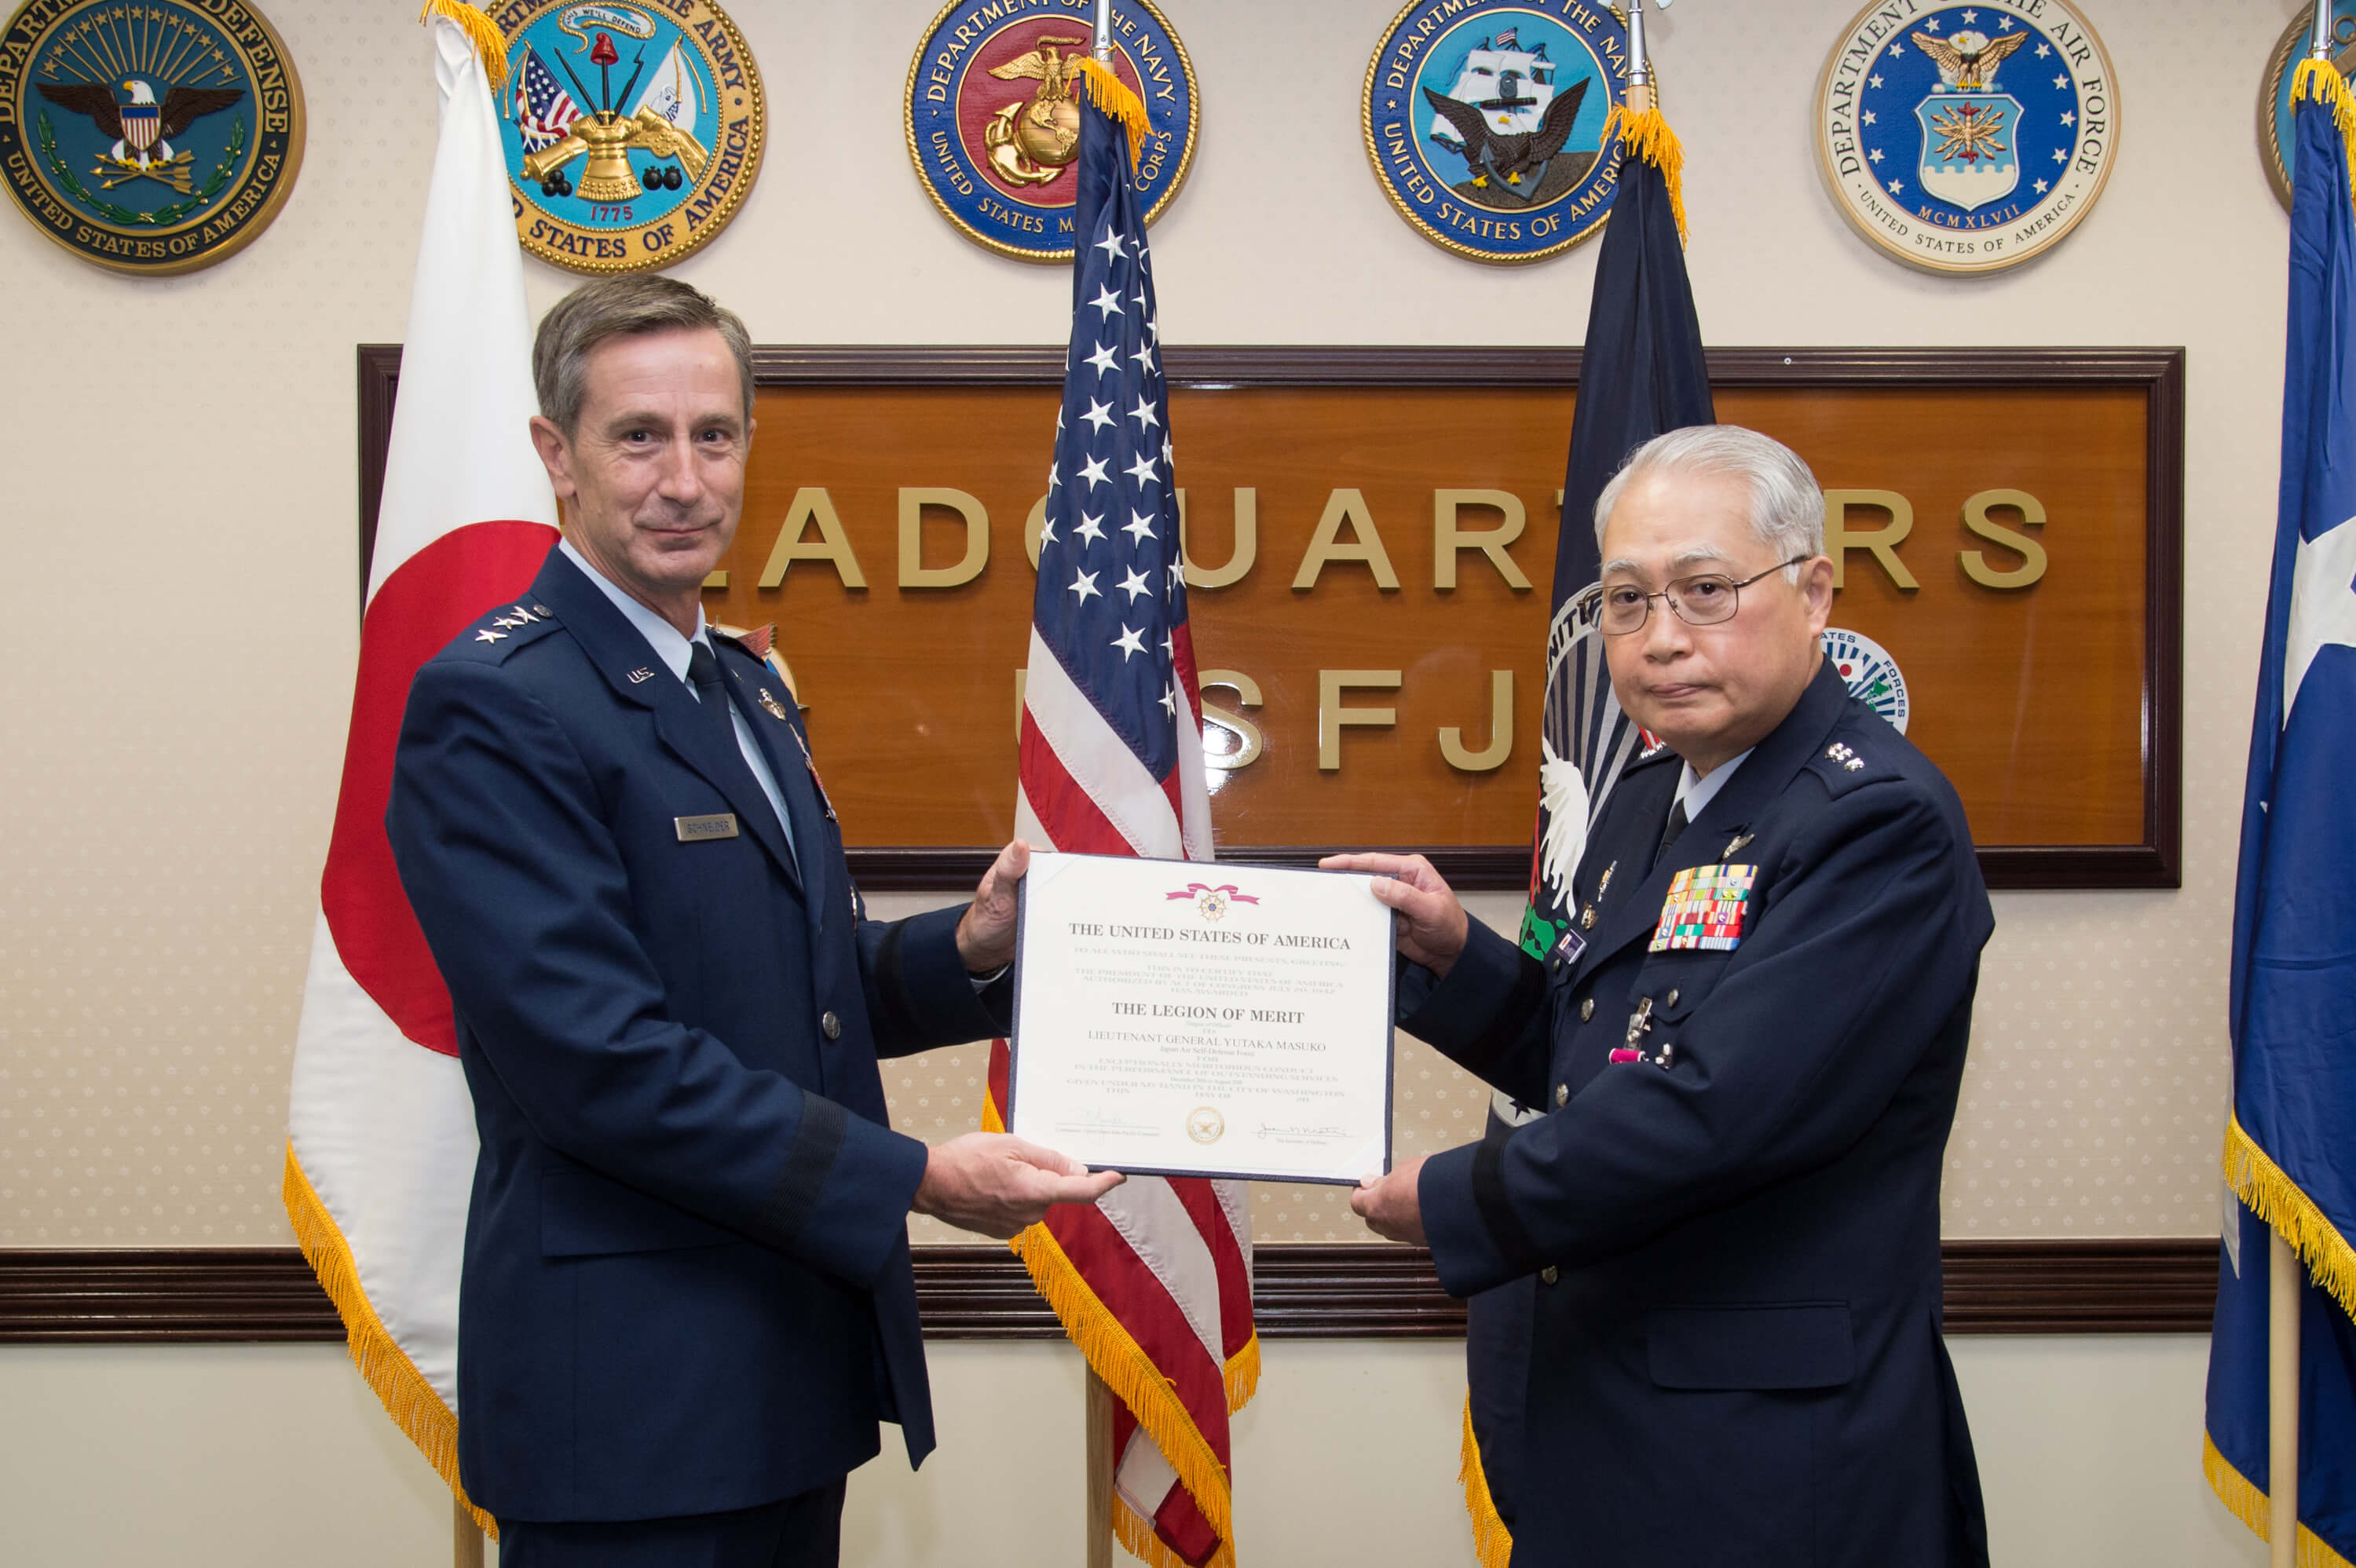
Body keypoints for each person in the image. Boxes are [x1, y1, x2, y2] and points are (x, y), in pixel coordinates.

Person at [386, 274, 1121, 1566]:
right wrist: (922, 1177)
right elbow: (599, 1063)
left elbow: (799, 987)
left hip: (784, 1372)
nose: (684, 478)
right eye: (638, 436)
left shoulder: (742, 685)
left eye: (713, 434)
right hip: (631, 1409)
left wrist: (970, 949)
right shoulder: (496, 703)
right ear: (556, 456)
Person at [1328, 425, 1992, 1566]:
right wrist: (1451, 953)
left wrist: (1451, 1198)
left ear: (1815, 590)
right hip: (1612, 1412)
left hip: (1773, 1464)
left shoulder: (1876, 823)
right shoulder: (1652, 792)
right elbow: (1599, 1048)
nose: (1662, 638)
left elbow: (1714, 1110)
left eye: (1705, 589)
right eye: (1626, 601)